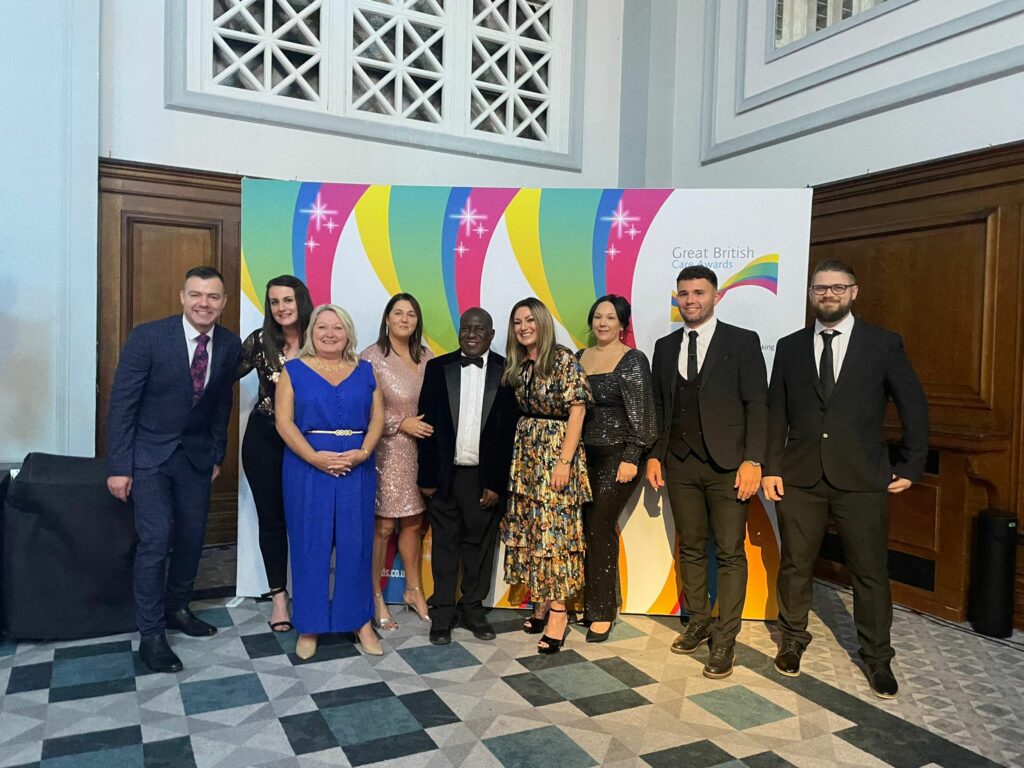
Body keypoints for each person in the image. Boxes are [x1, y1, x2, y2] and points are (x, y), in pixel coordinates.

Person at [762, 259, 928, 699]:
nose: (828, 295)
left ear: (854, 292)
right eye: (821, 288)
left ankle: (877, 658)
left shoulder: (883, 344)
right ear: (811, 294)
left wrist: (911, 466)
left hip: (862, 479)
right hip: (798, 478)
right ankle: (793, 640)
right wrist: (771, 467)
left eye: (837, 288)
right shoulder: (790, 346)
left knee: (870, 571)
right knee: (796, 564)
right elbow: (775, 411)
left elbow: (913, 406)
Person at [106, 265, 241, 673]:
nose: (204, 303)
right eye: (196, 294)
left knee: (192, 537)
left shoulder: (230, 344)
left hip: (197, 459)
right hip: (147, 456)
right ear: (182, 297)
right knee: (156, 538)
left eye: (213, 296)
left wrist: (217, 454)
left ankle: (177, 608)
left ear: (223, 303)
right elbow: (122, 404)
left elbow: (221, 405)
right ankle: (151, 636)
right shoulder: (149, 337)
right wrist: (119, 466)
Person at [646, 265, 768, 679]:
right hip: (679, 463)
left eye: (699, 292)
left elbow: (758, 404)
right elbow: (660, 407)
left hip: (729, 466)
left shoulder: (743, 341)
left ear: (716, 296)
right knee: (693, 547)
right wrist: (654, 454)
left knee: (730, 552)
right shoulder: (664, 347)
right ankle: (698, 619)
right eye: (683, 293)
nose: (691, 299)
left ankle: (725, 639)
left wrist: (753, 460)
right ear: (676, 298)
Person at [275, 304, 384, 659]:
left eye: (338, 328)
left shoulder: (366, 371)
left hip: (357, 468)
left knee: (356, 546)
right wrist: (314, 457)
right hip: (307, 469)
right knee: (310, 546)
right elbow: (284, 422)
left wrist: (363, 453)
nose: (330, 333)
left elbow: (378, 421)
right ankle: (310, 624)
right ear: (311, 333)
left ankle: (360, 621)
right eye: (322, 327)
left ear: (349, 333)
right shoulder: (293, 371)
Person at [417, 308, 519, 645]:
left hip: (483, 478)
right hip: (445, 477)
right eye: (466, 328)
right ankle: (442, 613)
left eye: (479, 329)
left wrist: (495, 483)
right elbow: (426, 427)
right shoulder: (437, 368)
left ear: (491, 334)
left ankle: (473, 609)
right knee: (445, 547)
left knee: (479, 547)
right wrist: (428, 477)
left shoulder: (509, 371)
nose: (471, 334)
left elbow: (508, 436)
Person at [501, 297, 593, 654]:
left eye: (530, 320)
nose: (523, 327)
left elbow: (578, 411)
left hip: (556, 451)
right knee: (532, 530)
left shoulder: (563, 360)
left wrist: (564, 461)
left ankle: (559, 612)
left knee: (555, 535)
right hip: (527, 456)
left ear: (542, 323)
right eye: (517, 322)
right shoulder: (521, 364)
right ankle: (540, 598)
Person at [576, 295, 655, 643]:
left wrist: (632, 457)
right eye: (598, 316)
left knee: (599, 525)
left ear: (623, 324)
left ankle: (602, 611)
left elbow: (644, 415)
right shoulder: (580, 358)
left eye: (611, 317)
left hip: (617, 459)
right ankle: (597, 600)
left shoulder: (632, 360)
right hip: (581, 458)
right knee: (585, 528)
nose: (603, 322)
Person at [237, 275, 314, 632]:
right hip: (264, 440)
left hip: (308, 441)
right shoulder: (260, 342)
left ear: (301, 301)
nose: (281, 307)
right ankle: (279, 598)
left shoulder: (322, 339)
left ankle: (312, 594)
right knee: (272, 519)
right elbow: (220, 378)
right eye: (274, 302)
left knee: (308, 518)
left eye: (287, 300)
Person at [360, 293, 434, 631]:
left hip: (420, 452)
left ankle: (413, 590)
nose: (405, 319)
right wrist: (399, 423)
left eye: (411, 314)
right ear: (387, 318)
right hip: (386, 452)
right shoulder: (370, 358)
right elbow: (362, 410)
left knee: (414, 524)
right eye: (398, 313)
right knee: (384, 526)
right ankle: (374, 595)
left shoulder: (426, 356)